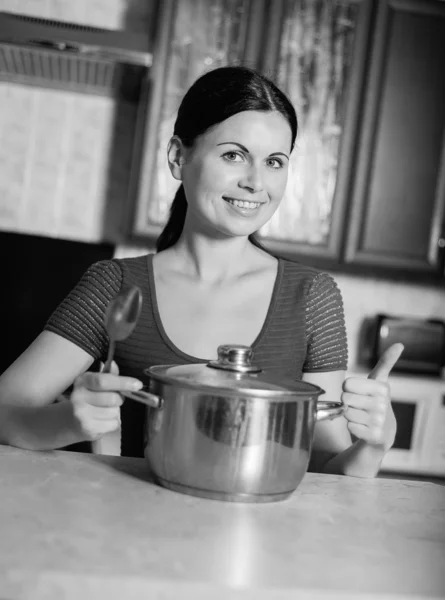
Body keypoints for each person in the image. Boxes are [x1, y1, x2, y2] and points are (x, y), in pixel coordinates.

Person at [0, 66, 403, 476]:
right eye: (233, 155)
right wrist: (67, 421)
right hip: (126, 533)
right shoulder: (116, 286)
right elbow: (5, 410)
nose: (255, 182)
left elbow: (326, 468)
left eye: (275, 162)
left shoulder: (312, 295)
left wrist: (374, 445)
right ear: (179, 157)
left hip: (259, 538)